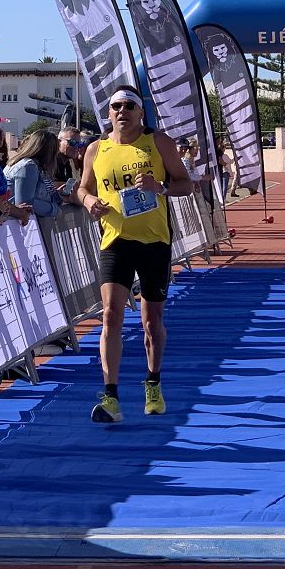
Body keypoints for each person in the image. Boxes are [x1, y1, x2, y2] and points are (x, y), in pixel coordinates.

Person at [75, 85, 193, 423]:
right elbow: (83, 187)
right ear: (108, 113)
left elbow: (185, 183)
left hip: (154, 241)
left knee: (151, 323)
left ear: (141, 112)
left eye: (129, 106)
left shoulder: (158, 143)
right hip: (115, 240)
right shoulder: (97, 149)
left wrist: (162, 188)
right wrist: (87, 201)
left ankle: (153, 383)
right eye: (116, 107)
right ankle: (110, 397)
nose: (122, 112)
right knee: (111, 314)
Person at [4, 130, 62, 219]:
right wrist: (54, 209)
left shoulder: (24, 164)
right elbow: (25, 204)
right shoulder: (28, 167)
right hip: (15, 225)